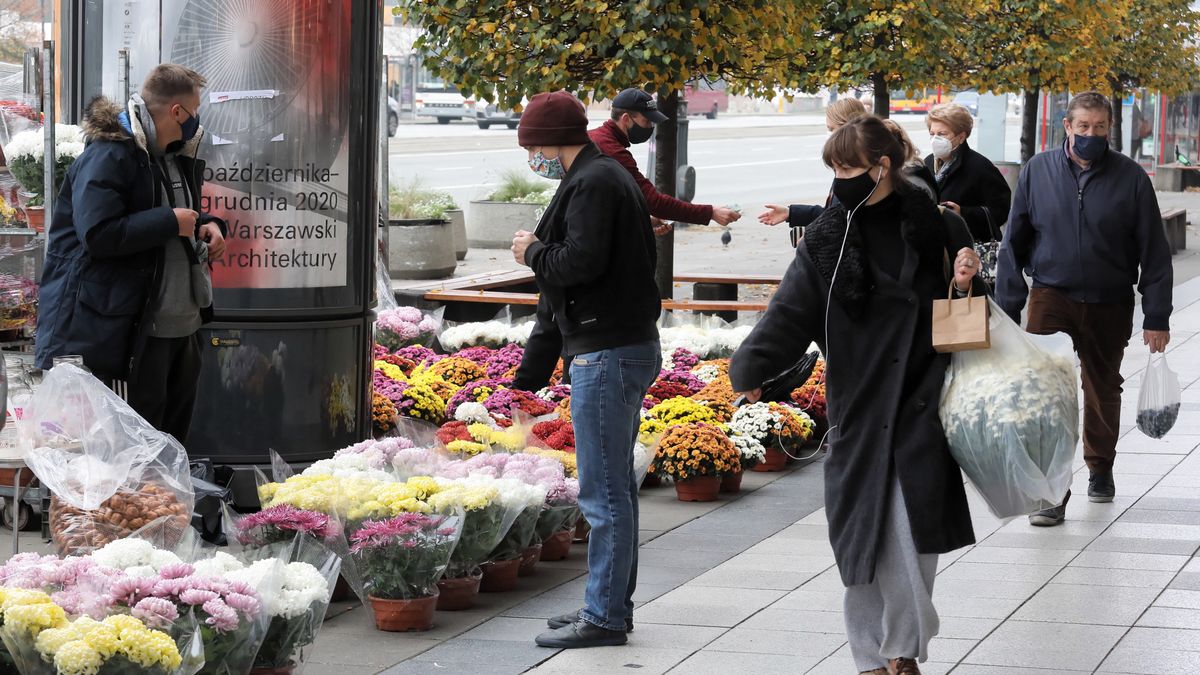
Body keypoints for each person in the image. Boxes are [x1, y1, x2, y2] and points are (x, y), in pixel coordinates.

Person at [731, 115, 985, 675]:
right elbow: (790, 311)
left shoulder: (936, 227)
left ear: (882, 166)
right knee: (861, 539)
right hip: (860, 403)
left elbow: (969, 311)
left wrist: (968, 281)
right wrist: (750, 365)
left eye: (847, 168)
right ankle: (873, 657)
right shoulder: (828, 235)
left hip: (925, 397)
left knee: (915, 533)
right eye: (834, 169)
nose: (839, 179)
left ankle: (902, 650)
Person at [509, 91, 661, 649]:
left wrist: (532, 253)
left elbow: (578, 264)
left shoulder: (595, 182)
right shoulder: (593, 178)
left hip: (609, 352)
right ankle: (607, 604)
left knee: (603, 495)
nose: (532, 159)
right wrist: (529, 376)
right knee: (611, 489)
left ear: (546, 142)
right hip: (612, 347)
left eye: (531, 147)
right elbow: (562, 292)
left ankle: (604, 618)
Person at [996, 91, 1173, 525]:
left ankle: (1100, 467)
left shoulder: (1131, 178)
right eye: (1083, 127)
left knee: (1101, 388)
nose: (1091, 134)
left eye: (1099, 128)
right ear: (1067, 127)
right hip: (1051, 294)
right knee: (1046, 396)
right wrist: (1007, 307)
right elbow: (1013, 242)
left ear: (1108, 129)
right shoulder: (1038, 171)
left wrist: (1156, 316)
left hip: (1109, 299)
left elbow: (1153, 251)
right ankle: (1052, 491)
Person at [36, 63, 226, 443]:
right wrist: (170, 222)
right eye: (194, 114)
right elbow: (99, 234)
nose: (195, 123)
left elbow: (173, 209)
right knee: (129, 453)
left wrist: (211, 225)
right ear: (176, 111)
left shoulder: (171, 154)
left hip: (181, 329)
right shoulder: (110, 155)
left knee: (169, 449)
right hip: (131, 332)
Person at [590, 88, 739, 235]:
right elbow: (655, 202)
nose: (650, 127)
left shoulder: (597, 137)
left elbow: (609, 206)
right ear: (626, 119)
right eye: (646, 121)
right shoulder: (613, 151)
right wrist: (710, 212)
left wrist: (646, 222)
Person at [924, 103, 1012, 284]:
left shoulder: (979, 167)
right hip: (934, 255)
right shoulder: (927, 164)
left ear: (961, 136)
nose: (935, 139)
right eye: (932, 134)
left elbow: (1001, 209)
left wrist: (963, 213)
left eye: (942, 134)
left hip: (969, 259)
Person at [757, 98, 867, 235]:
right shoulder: (850, 163)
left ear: (848, 127)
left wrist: (810, 240)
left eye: (832, 129)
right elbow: (832, 215)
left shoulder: (862, 171)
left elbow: (842, 225)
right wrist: (790, 213)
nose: (830, 135)